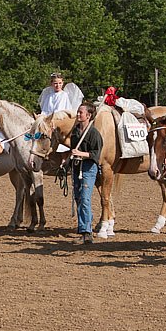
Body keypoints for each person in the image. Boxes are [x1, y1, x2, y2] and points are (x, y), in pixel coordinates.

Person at [66, 102, 103, 245]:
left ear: (88, 115)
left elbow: (96, 154)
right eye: (78, 112)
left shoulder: (94, 134)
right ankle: (85, 226)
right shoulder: (75, 131)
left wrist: (80, 153)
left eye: (81, 112)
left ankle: (86, 233)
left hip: (88, 168)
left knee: (85, 199)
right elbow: (72, 149)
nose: (78, 114)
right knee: (79, 199)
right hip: (76, 167)